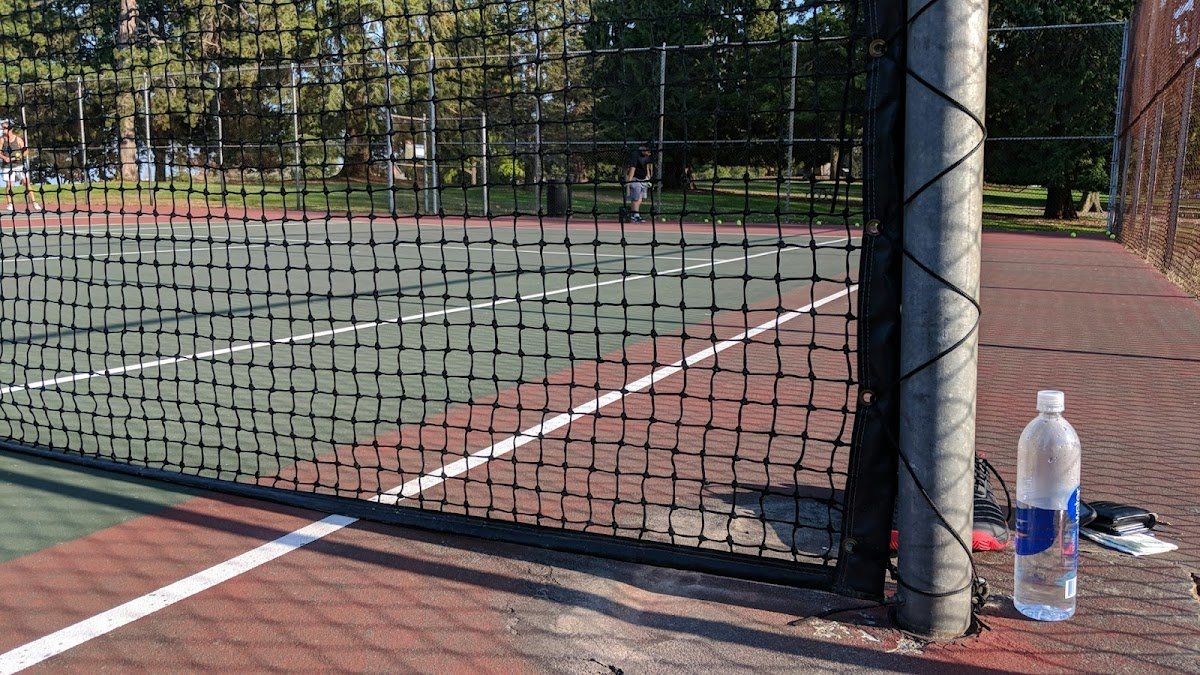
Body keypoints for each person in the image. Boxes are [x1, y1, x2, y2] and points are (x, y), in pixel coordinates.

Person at [0, 119, 42, 213]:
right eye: (3, 128)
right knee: (9, 185)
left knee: (26, 183)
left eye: (5, 128)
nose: (3, 130)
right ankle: (10, 204)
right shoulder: (2, 139)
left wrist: (20, 156)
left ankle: (34, 202)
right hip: (7, 167)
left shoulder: (18, 139)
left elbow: (26, 151)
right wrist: (4, 158)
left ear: (10, 129)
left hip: (19, 166)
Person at [623, 142, 653, 223]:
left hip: (644, 179)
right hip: (635, 179)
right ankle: (635, 216)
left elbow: (647, 166)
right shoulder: (635, 155)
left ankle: (634, 214)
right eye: (648, 152)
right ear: (644, 149)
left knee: (640, 198)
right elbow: (632, 168)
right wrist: (629, 180)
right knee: (635, 198)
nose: (649, 154)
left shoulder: (646, 156)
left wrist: (648, 176)